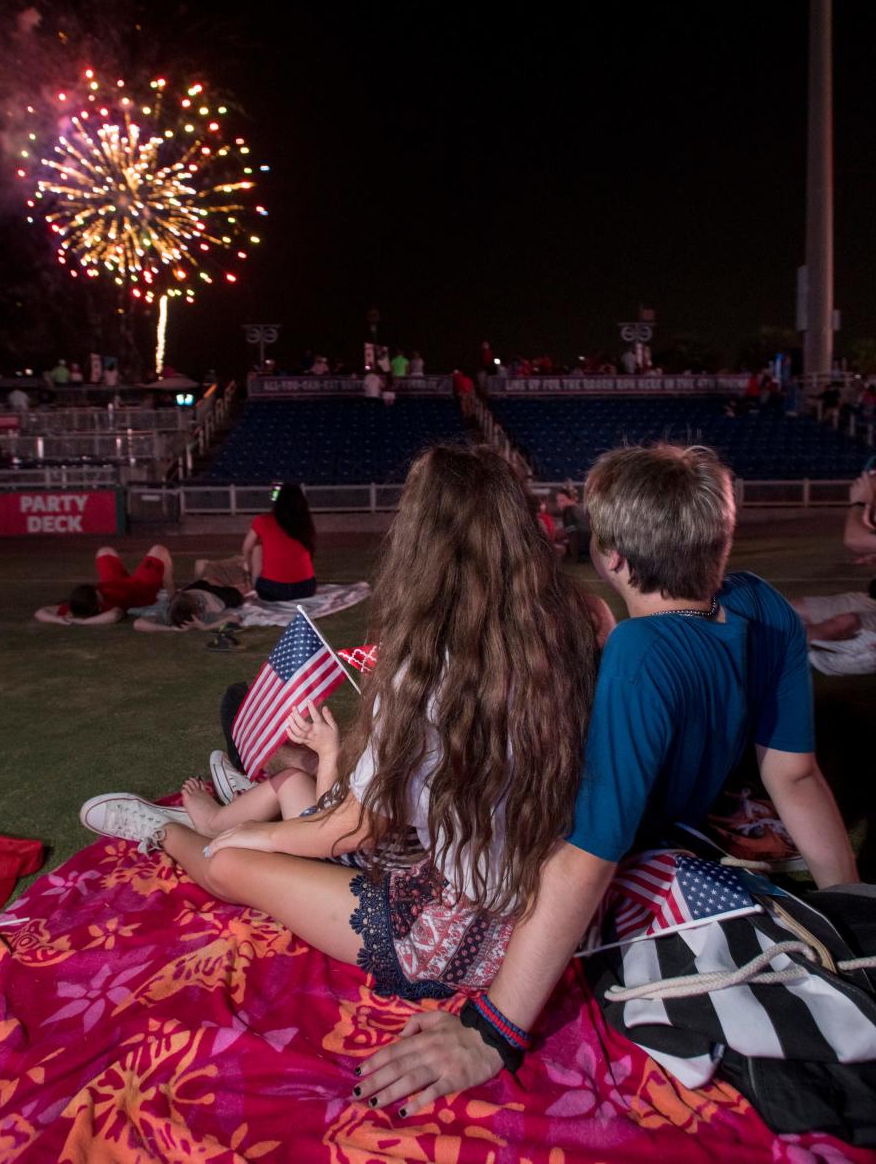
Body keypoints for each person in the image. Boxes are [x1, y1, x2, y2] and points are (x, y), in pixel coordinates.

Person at [80, 445, 600, 1110]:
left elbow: (349, 827)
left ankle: (164, 833)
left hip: (455, 938)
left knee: (230, 862)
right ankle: (235, 811)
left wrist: (257, 842)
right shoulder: (581, 625)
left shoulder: (422, 673)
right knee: (298, 782)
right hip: (537, 912)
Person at [350, 443, 856, 1109]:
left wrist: (494, 1030)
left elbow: (589, 856)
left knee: (391, 819)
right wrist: (849, 909)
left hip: (603, 851)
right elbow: (795, 777)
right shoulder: (765, 608)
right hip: (678, 814)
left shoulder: (640, 655)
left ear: (612, 557)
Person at [790, 469, 876, 674]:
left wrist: (860, 502)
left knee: (845, 623)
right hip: (871, 598)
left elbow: (855, 540)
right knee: (789, 611)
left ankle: (759, 659)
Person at [34, 545, 173, 625]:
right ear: (98, 604)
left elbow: (40, 612)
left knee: (104, 551)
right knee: (159, 550)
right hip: (140, 587)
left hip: (113, 583)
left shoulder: (77, 605)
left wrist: (59, 620)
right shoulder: (109, 607)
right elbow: (114, 615)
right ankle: (171, 591)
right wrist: (84, 622)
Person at [241, 483, 316, 602]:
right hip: (306, 588)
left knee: (258, 547)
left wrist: (248, 568)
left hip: (273, 590)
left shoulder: (263, 521)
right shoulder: (304, 522)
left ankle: (254, 584)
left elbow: (246, 547)